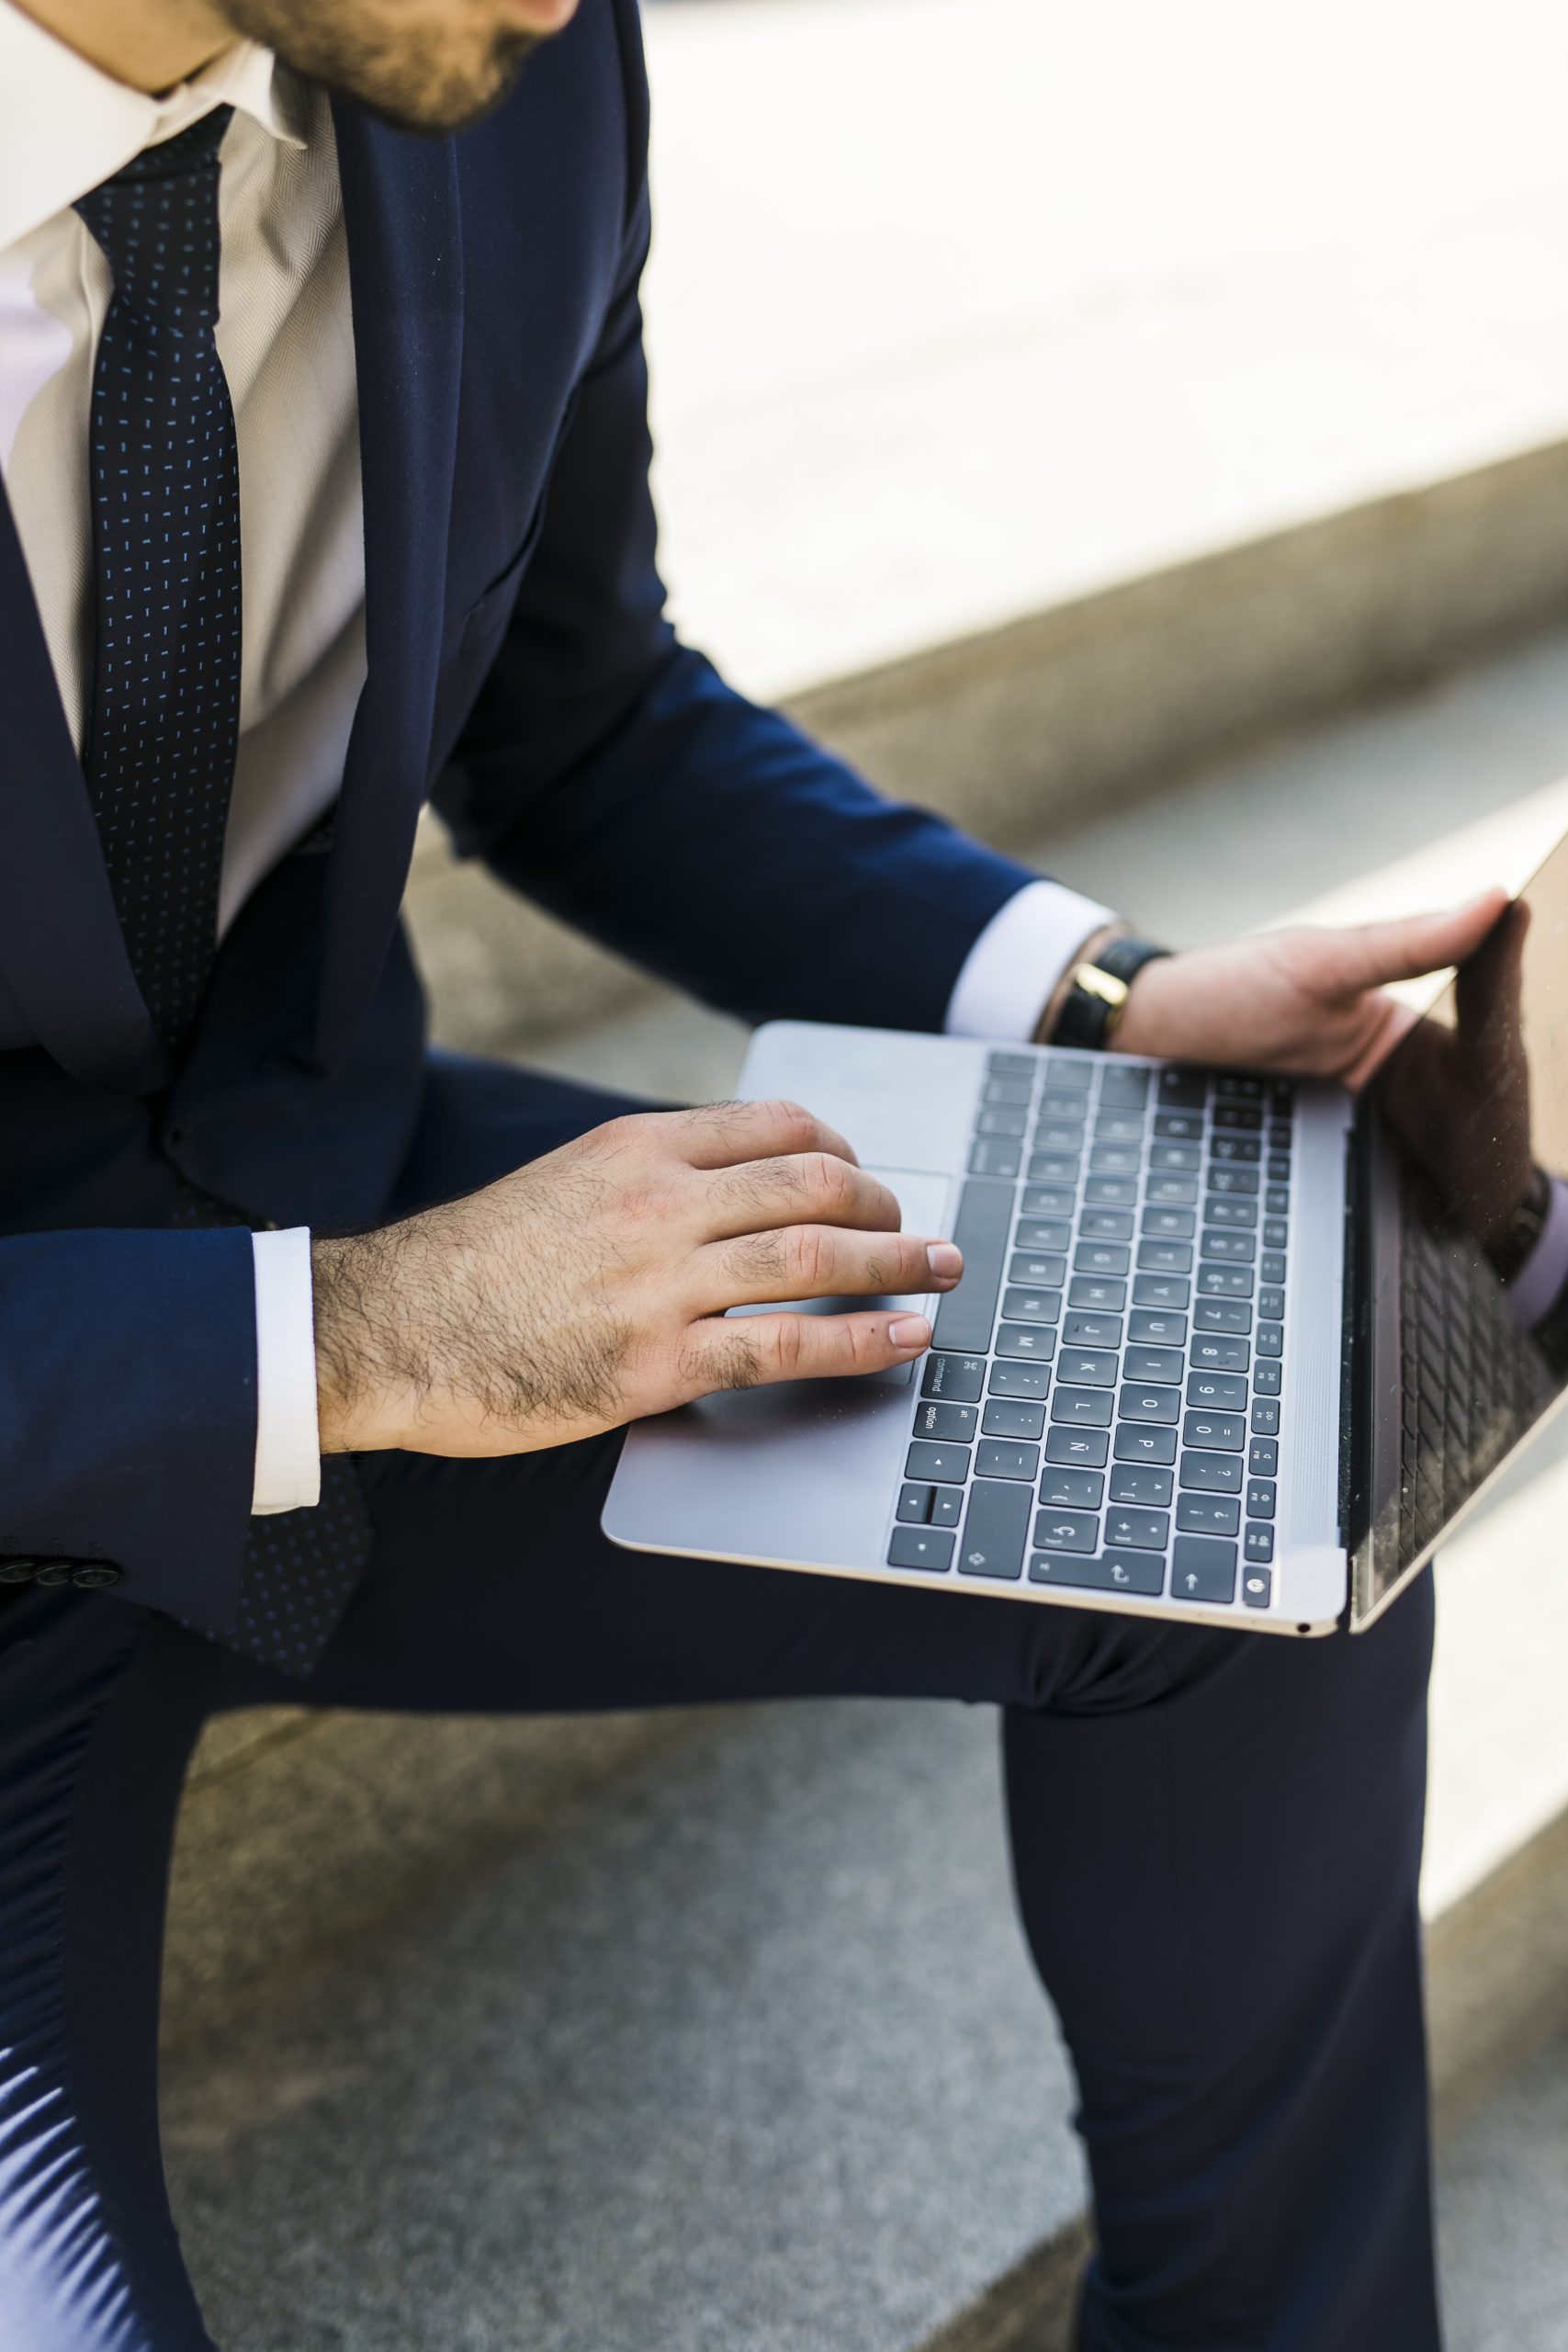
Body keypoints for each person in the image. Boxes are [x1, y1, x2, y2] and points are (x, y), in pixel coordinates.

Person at [0, 0, 1505, 2343]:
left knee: (1249, 1479)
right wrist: (371, 1333)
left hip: (335, 1204)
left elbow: (579, 719)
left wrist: (1101, 998)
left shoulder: (499, 75)